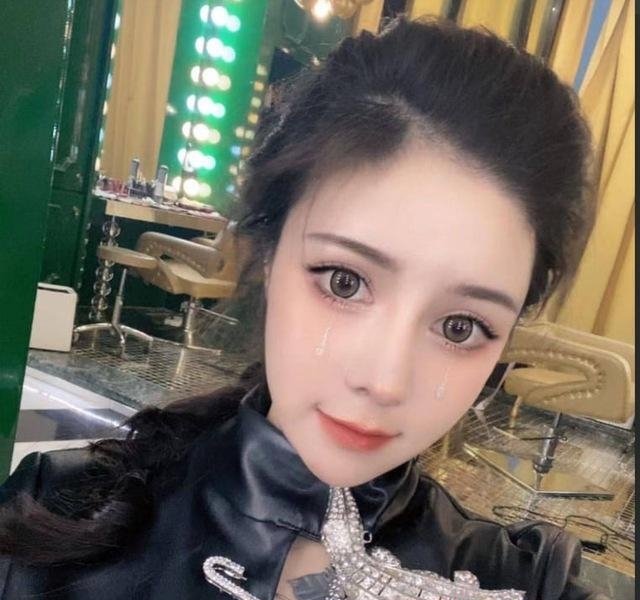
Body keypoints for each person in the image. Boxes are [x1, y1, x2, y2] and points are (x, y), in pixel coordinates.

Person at [0, 15, 606, 600]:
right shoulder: (54, 517)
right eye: (345, 282)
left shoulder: (519, 583)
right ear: (269, 253)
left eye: (460, 326)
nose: (385, 381)